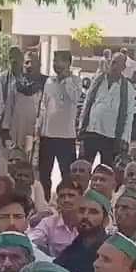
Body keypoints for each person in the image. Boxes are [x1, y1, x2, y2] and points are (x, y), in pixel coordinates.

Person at [79, 52, 134, 167]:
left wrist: (125, 139)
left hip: (111, 136)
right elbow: (87, 103)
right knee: (83, 166)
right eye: (112, 62)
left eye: (117, 64)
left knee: (107, 170)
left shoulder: (128, 88)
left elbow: (129, 115)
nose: (113, 66)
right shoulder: (98, 80)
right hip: (91, 131)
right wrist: (81, 126)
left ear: (123, 68)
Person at [36, 50, 81, 189]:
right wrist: (39, 126)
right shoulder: (49, 81)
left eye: (59, 61)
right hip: (47, 135)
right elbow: (43, 105)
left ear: (68, 63)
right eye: (54, 61)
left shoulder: (75, 81)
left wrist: (66, 79)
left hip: (65, 136)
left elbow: (75, 98)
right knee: (44, 174)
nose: (56, 64)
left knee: (67, 175)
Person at [54, 189, 111, 272]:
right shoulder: (72, 249)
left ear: (105, 220)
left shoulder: (111, 251)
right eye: (82, 211)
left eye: (93, 212)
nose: (85, 216)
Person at [29, 179, 82, 257]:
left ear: (81, 199)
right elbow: (31, 241)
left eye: (71, 195)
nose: (66, 200)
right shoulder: (49, 223)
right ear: (57, 201)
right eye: (62, 196)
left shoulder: (88, 221)